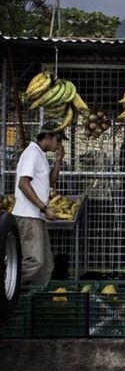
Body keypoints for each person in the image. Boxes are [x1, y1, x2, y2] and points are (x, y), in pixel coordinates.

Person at [12, 122, 67, 285]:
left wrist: (58, 160)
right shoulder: (32, 154)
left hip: (36, 216)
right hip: (28, 215)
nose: (59, 144)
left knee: (46, 266)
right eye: (58, 140)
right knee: (34, 261)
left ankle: (33, 297)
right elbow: (23, 183)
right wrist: (43, 208)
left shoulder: (40, 155)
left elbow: (50, 182)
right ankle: (8, 288)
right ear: (48, 137)